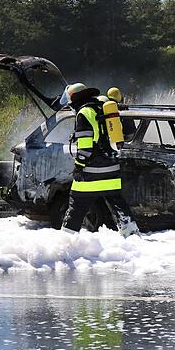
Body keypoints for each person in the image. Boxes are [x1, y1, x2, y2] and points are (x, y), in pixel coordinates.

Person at [61, 83, 138, 236]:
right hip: (112, 170)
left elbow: (85, 147)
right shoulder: (102, 107)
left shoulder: (84, 113)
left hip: (91, 172)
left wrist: (79, 166)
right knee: (119, 206)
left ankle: (66, 240)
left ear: (74, 99)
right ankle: (132, 236)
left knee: (77, 204)